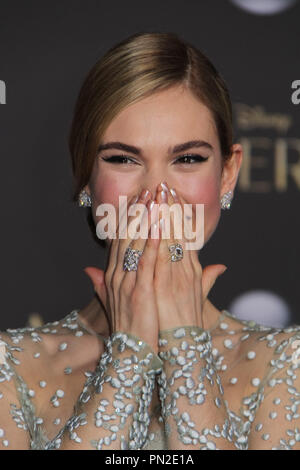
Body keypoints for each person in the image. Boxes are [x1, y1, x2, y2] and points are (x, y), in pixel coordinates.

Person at [1, 31, 300, 451]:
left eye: (188, 159)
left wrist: (184, 343)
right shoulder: (10, 367)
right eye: (124, 159)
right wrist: (129, 353)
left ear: (228, 174)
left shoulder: (286, 364)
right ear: (85, 172)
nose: (156, 195)